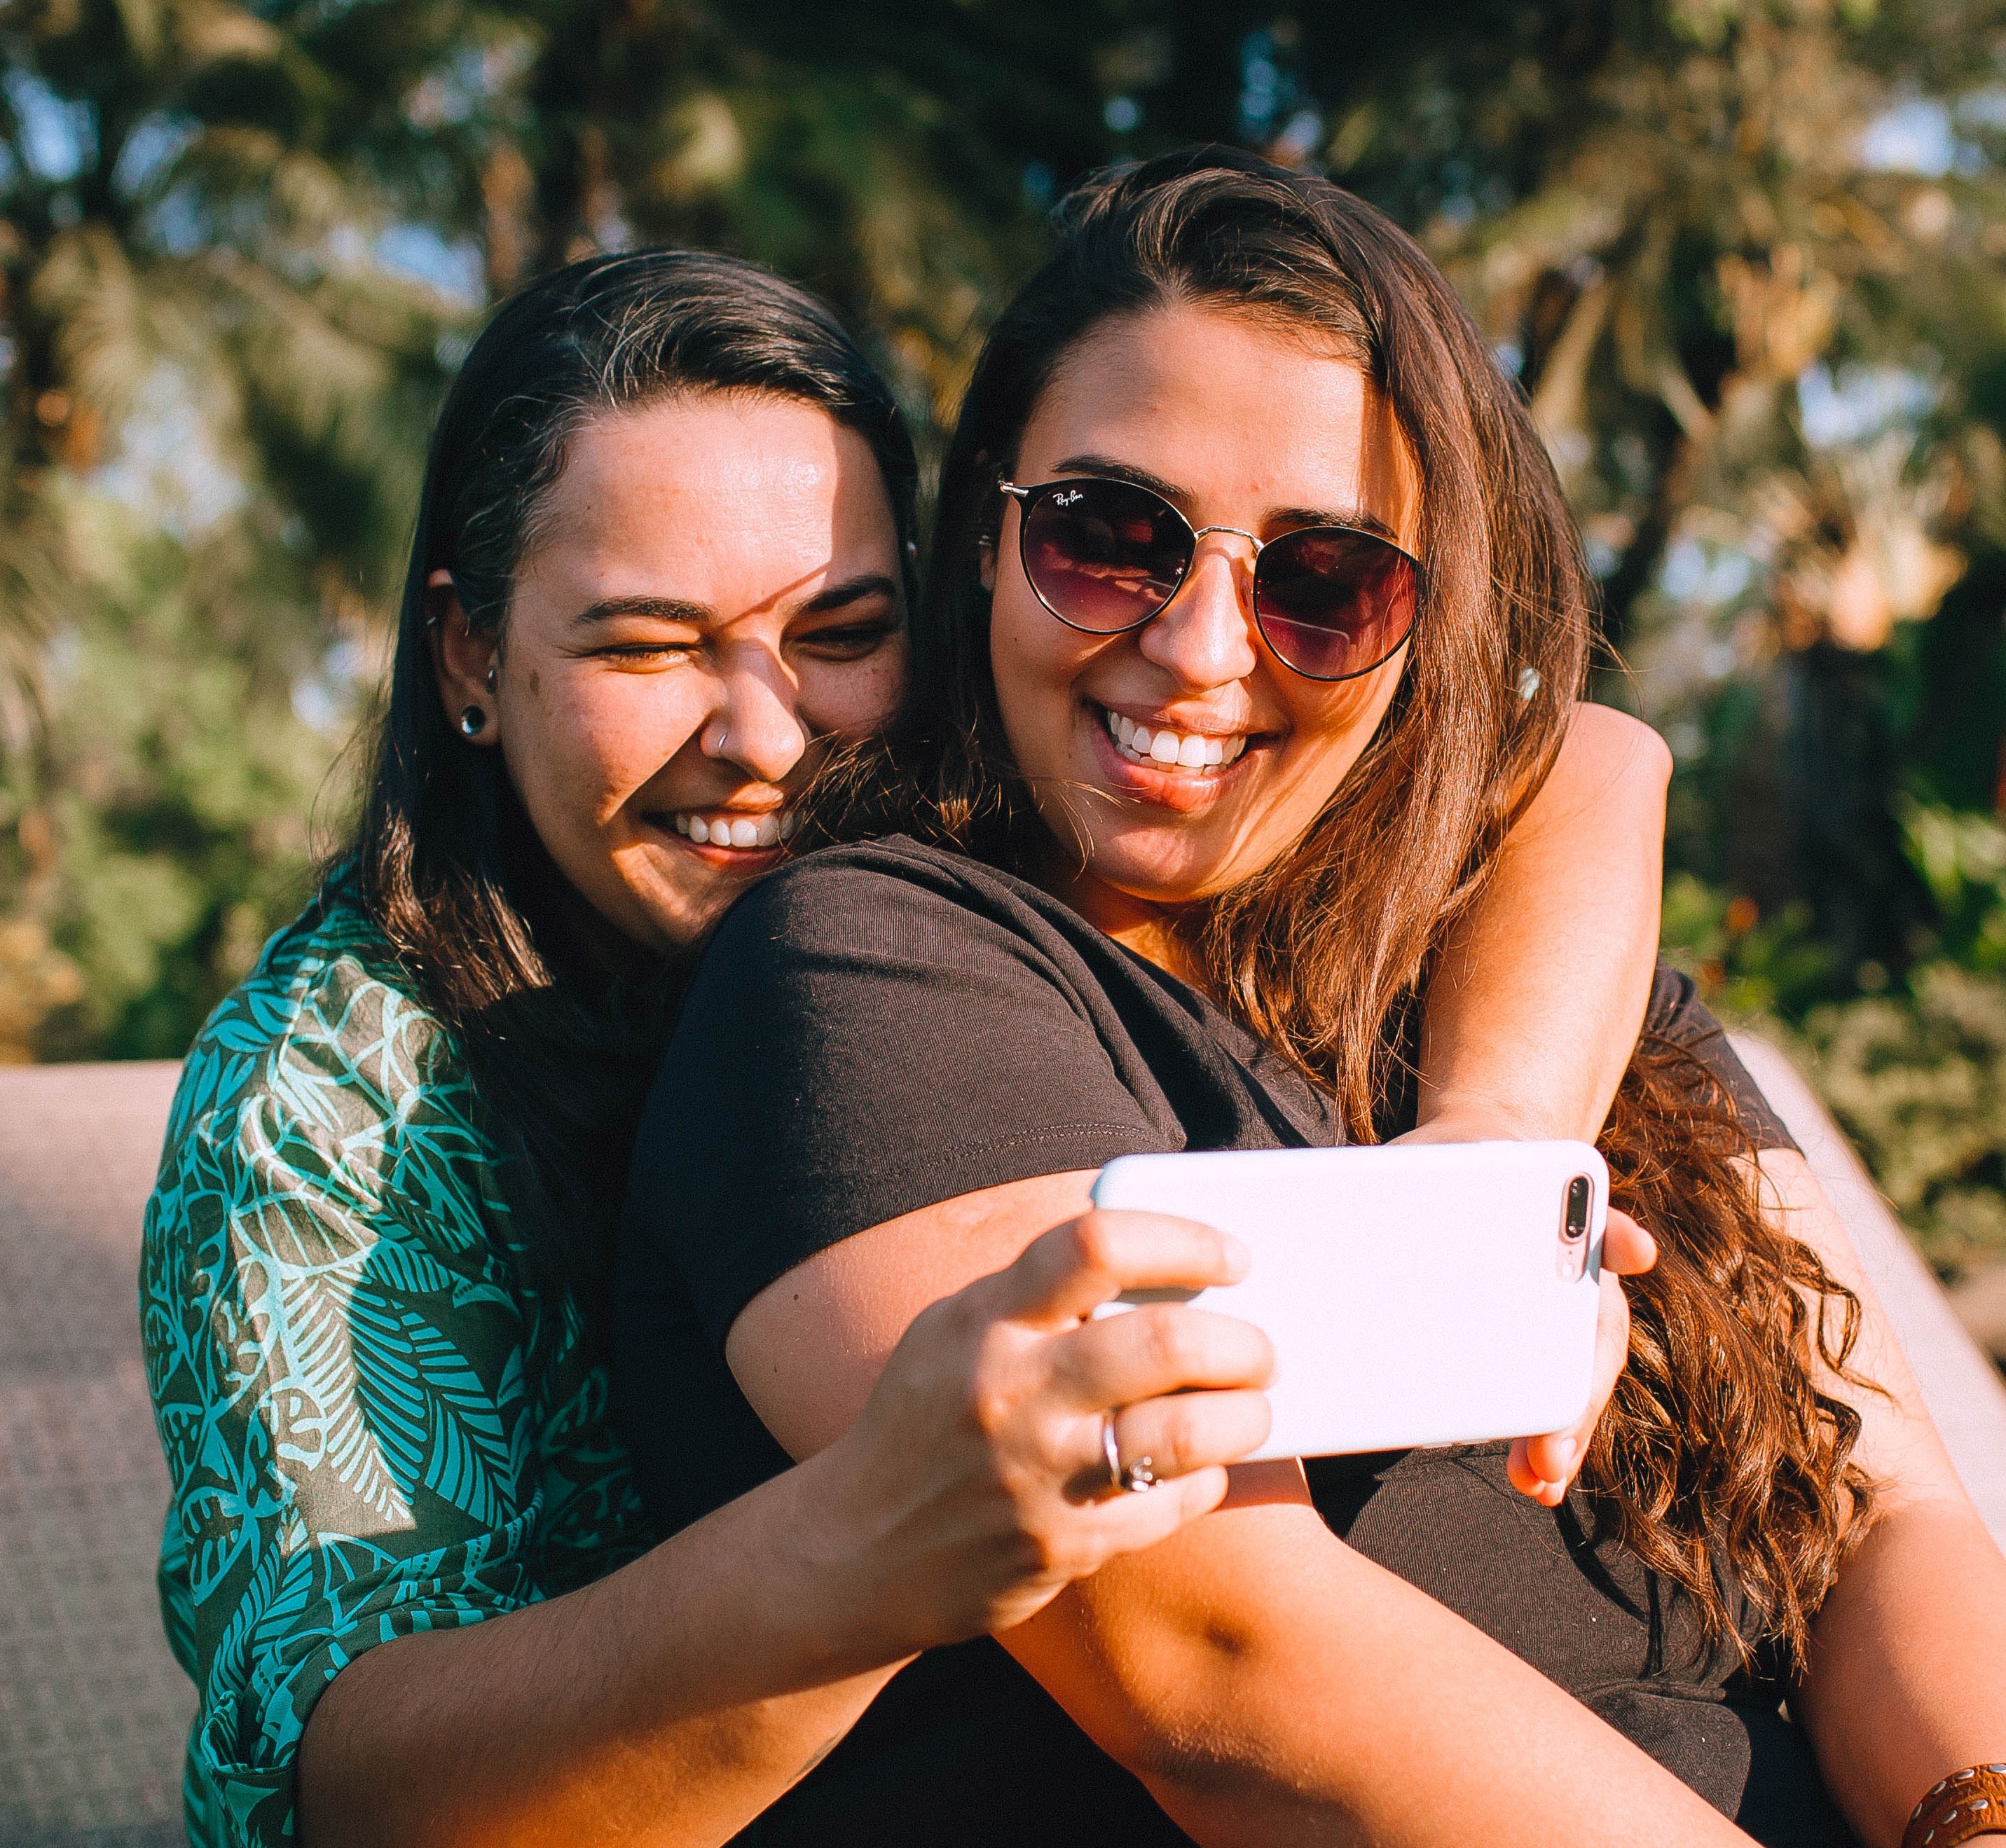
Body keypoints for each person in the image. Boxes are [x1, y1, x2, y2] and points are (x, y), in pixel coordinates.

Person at [144, 247, 1678, 1848]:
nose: (761, 734)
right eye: (644, 646)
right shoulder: (338, 1102)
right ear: (468, 655)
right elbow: (345, 1789)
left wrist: (1492, 1174)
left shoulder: (980, 860)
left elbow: (1575, 752)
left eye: (838, 627)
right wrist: (852, 1551)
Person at [613, 149, 2006, 1847]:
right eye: (1106, 537)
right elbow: (1222, 1669)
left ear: (1428, 620)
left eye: (1323, 578)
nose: (1200, 647)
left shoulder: (1541, 986)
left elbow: (1880, 1510)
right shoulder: (863, 970)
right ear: (984, 532)